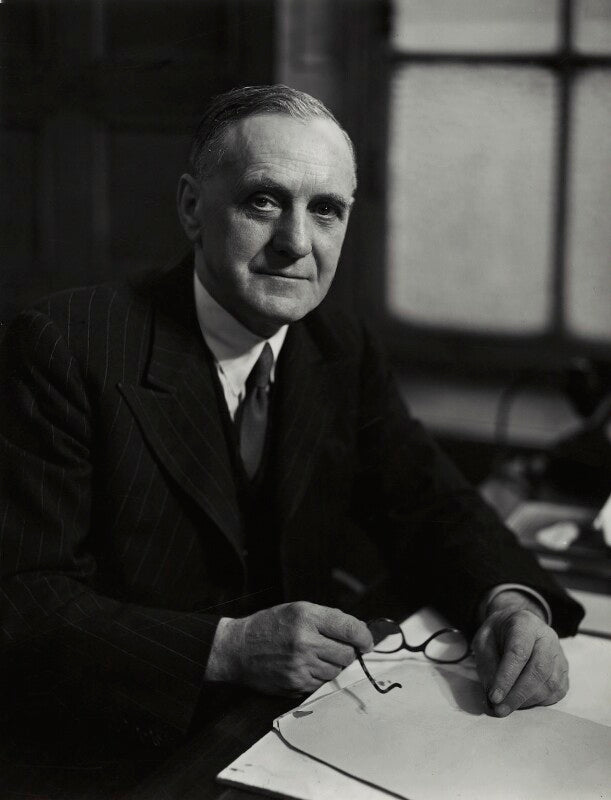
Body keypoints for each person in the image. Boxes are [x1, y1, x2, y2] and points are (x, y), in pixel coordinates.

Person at [0, 85, 583, 752]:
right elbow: (22, 597)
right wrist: (226, 648)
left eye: (326, 210)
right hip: (111, 743)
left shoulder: (337, 345)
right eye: (262, 201)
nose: (296, 242)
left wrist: (510, 602)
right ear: (191, 208)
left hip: (293, 727)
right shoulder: (65, 346)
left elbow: (427, 503)